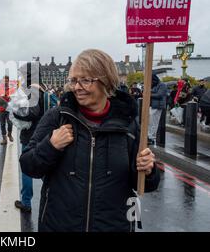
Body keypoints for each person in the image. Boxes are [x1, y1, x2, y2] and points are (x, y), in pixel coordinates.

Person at [20, 49, 160, 232]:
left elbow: (145, 184)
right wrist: (51, 145)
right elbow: (28, 164)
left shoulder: (127, 125)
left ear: (106, 81)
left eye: (85, 80)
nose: (77, 87)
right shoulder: (58, 117)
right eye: (73, 80)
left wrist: (148, 170)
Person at [11, 61, 46, 213]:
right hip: (43, 133)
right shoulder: (43, 88)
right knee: (45, 168)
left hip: (32, 135)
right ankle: (55, 196)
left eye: (24, 74)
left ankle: (26, 202)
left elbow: (32, 113)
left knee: (26, 167)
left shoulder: (33, 90)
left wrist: (14, 111)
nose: (22, 77)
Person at [0, 75, 13, 145]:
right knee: (2, 124)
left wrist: (10, 97)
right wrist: (1, 96)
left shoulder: (11, 89)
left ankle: (9, 134)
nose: (5, 82)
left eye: (7, 81)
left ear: (8, 81)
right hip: (1, 109)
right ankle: (4, 139)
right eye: (4, 81)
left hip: (9, 109)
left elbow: (14, 97)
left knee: (10, 123)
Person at [148, 75, 168, 145]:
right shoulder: (154, 85)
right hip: (152, 105)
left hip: (157, 106)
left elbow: (160, 95)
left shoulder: (162, 85)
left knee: (154, 123)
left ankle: (152, 138)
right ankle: (149, 136)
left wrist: (148, 93)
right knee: (150, 122)